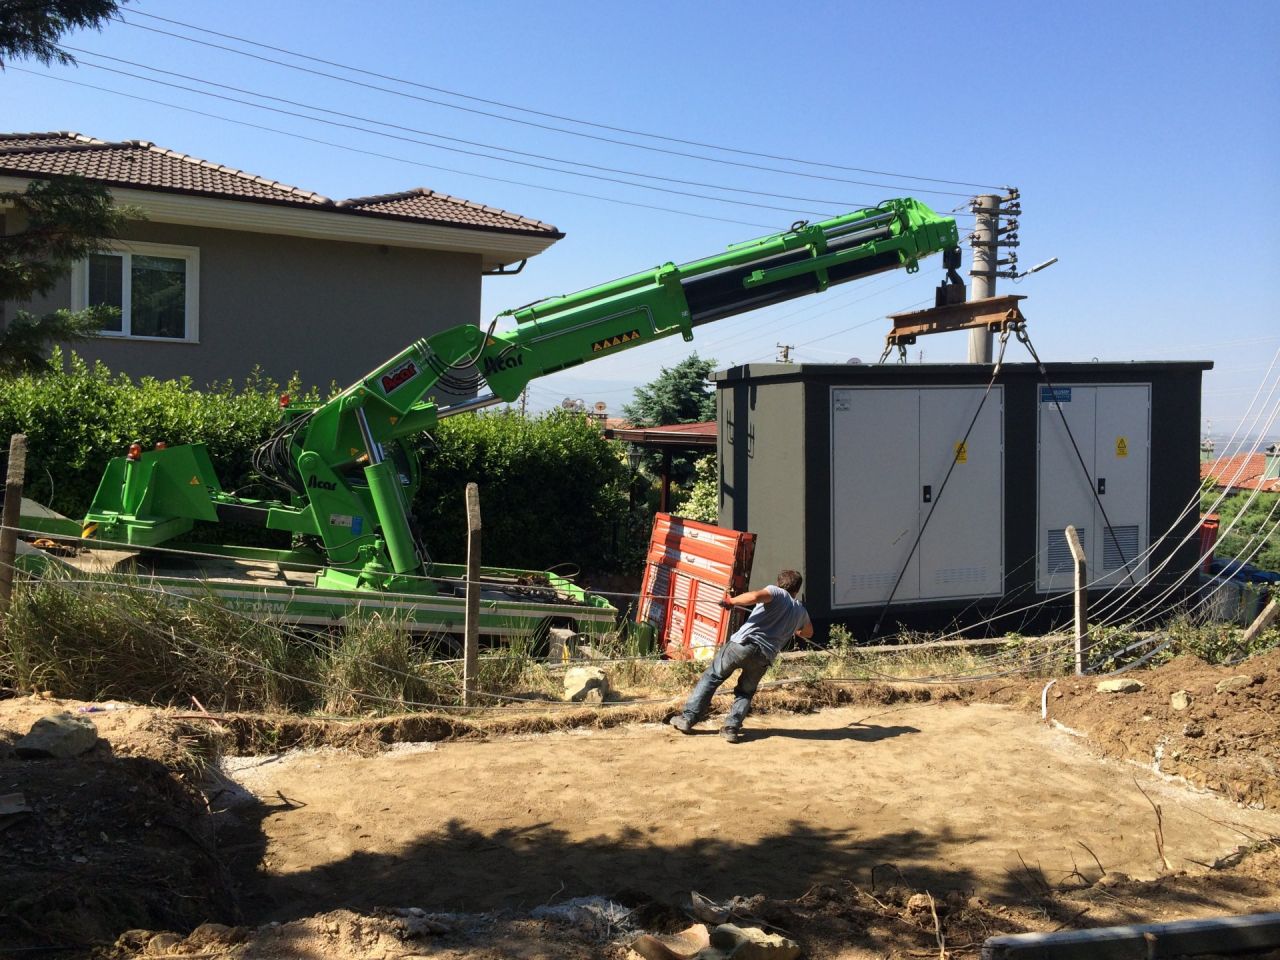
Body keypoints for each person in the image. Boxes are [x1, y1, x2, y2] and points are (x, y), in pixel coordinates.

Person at [669, 569, 813, 743]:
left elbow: (754, 596)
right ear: (797, 589)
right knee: (745, 692)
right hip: (764, 656)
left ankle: (687, 718)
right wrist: (796, 629)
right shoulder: (800, 611)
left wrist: (731, 601)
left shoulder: (777, 592)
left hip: (742, 645)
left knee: (712, 677)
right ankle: (731, 728)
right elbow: (809, 632)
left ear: (779, 583)